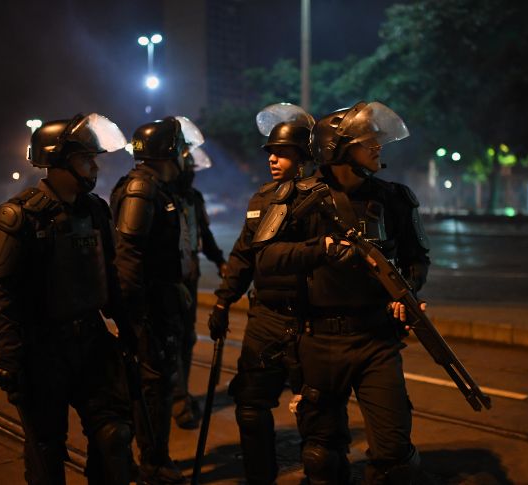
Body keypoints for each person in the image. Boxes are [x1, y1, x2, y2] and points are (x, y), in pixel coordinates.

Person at [252, 101, 431, 484]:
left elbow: (417, 259)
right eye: (369, 142)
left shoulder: (394, 198)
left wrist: (407, 291)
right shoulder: (295, 198)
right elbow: (265, 258)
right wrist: (322, 249)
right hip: (318, 340)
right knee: (321, 456)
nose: (378, 147)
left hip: (378, 340)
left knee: (395, 456)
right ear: (339, 149)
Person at [0, 113, 136, 484]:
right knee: (47, 451)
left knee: (115, 435)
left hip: (92, 341)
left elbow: (108, 273)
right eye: (86, 158)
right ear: (59, 161)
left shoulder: (94, 210)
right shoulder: (18, 216)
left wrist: (128, 326)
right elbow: (0, 291)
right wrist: (9, 354)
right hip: (42, 349)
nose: (94, 166)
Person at [206, 103, 315, 484]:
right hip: (265, 319)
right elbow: (242, 255)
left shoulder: (321, 200)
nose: (272, 158)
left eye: (282, 153)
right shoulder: (261, 200)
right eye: (270, 152)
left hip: (309, 322)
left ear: (303, 157)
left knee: (315, 414)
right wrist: (223, 300)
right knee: (250, 407)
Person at [110, 116, 200, 484]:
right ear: (170, 152)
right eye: (180, 150)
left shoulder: (159, 188)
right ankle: (152, 462)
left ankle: (145, 459)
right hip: (149, 311)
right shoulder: (143, 189)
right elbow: (129, 256)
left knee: (156, 386)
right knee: (150, 389)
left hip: (160, 306)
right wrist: (136, 316)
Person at [171, 145, 228, 430]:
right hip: (168, 282)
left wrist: (220, 261)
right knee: (171, 339)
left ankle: (180, 393)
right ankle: (177, 398)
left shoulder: (193, 198)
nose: (191, 175)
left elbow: (203, 234)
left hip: (189, 279)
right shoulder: (160, 196)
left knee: (187, 338)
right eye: (188, 169)